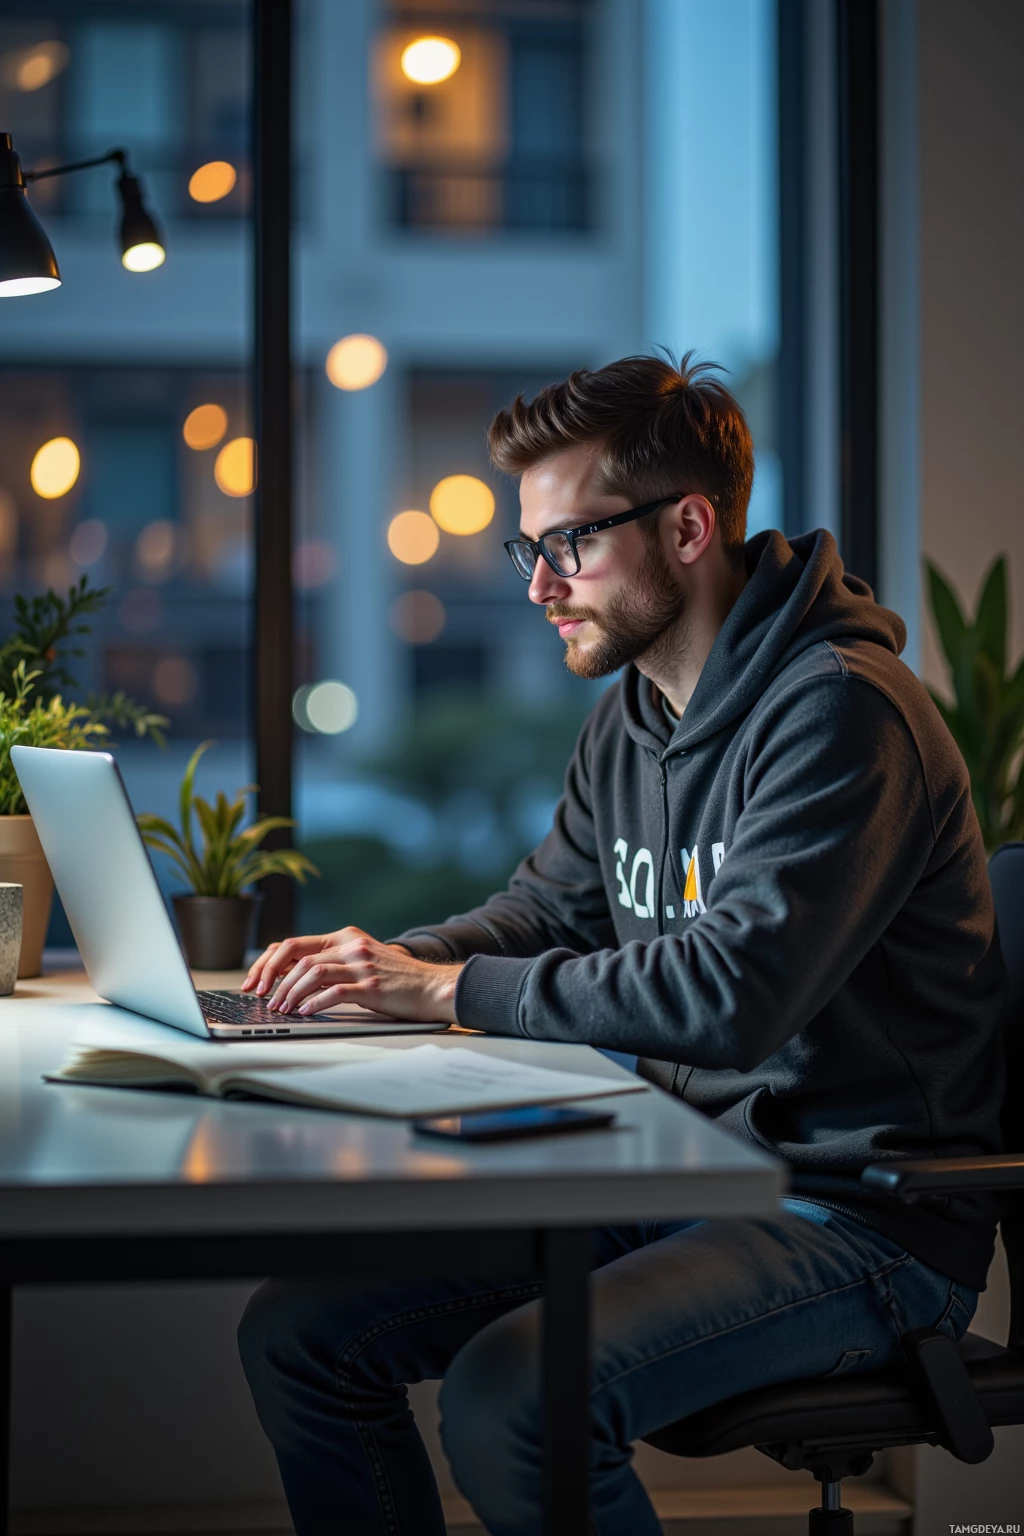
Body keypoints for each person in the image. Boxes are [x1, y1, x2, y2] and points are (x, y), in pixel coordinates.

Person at [236, 354, 1005, 1536]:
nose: (539, 585)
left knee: (513, 1399)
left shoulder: (842, 711)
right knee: (302, 1335)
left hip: (856, 1220)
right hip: (677, 1174)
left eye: (569, 545)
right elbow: (546, 910)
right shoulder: (634, 710)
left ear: (688, 526)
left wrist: (444, 989)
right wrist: (378, 964)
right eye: (527, 549)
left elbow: (731, 997)